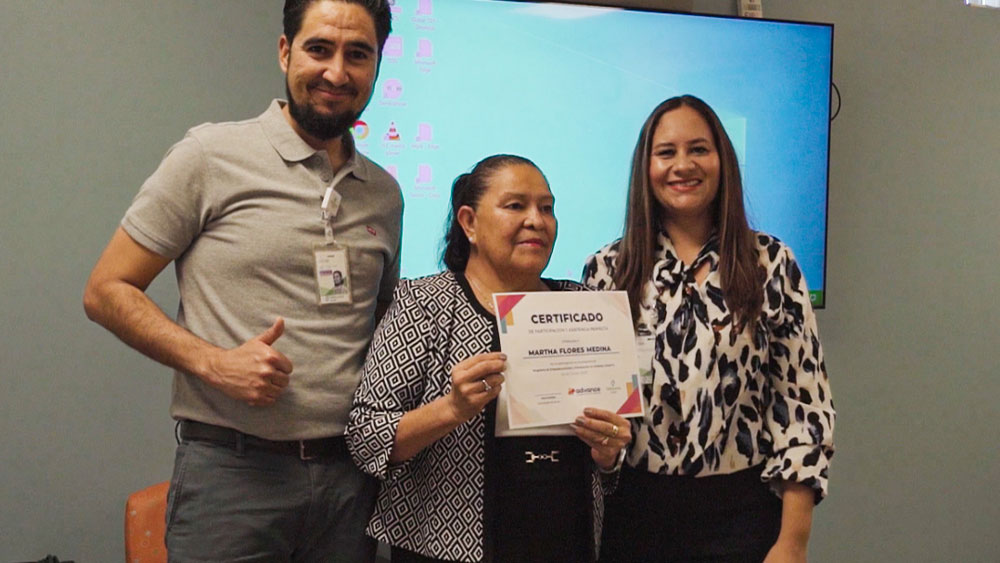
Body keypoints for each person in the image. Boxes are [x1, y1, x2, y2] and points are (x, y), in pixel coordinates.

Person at [82, 1, 400, 561]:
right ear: (285, 51)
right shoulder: (210, 155)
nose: (336, 72)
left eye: (358, 54)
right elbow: (107, 290)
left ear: (377, 64)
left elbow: (378, 325)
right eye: (318, 49)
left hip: (349, 482)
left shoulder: (383, 192)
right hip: (233, 475)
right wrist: (214, 363)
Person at [582, 95, 835, 563]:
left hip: (742, 514)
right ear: (646, 166)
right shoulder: (608, 269)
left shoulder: (771, 264)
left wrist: (793, 541)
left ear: (722, 161)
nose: (683, 165)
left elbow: (802, 405)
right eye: (666, 152)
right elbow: (599, 402)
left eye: (698, 149)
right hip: (634, 513)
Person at [346, 155, 632, 563]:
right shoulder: (424, 304)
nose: (537, 220)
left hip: (568, 539)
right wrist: (451, 409)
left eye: (547, 208)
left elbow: (609, 464)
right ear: (469, 222)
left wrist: (608, 453)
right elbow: (366, 436)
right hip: (444, 546)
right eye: (516, 206)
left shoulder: (585, 305)